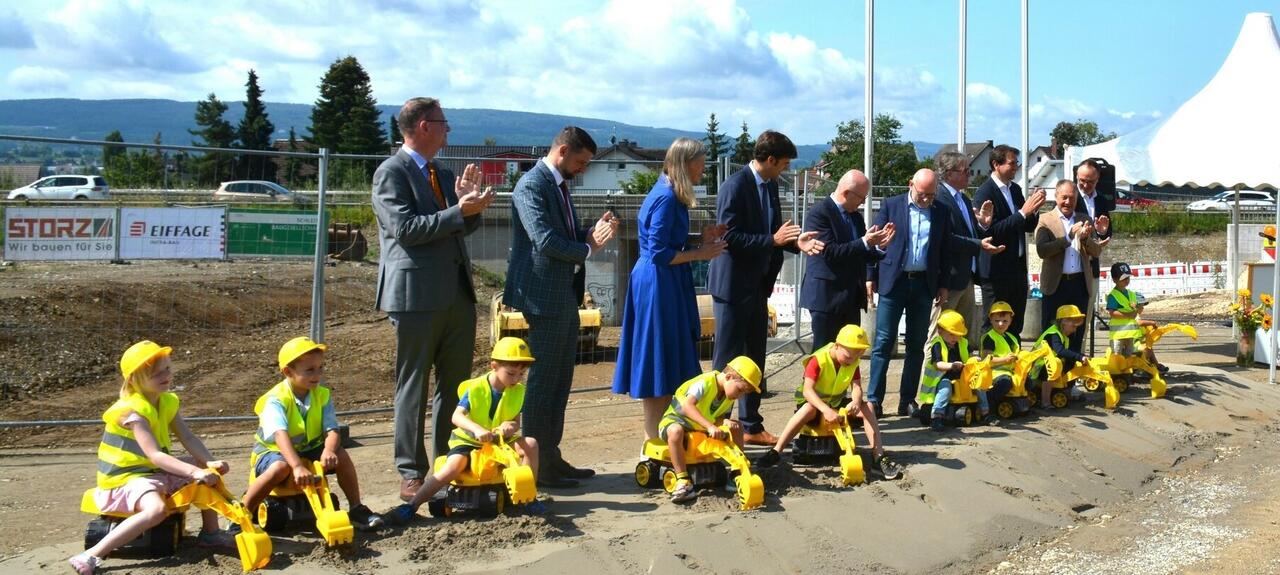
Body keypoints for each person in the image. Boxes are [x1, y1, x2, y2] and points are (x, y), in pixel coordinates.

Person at [372, 97, 495, 501]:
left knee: (454, 385)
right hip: (415, 297)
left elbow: (457, 228)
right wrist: (459, 210)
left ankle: (447, 462)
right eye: (444, 123)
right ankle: (412, 473)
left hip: (456, 294)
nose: (448, 130)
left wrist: (470, 207)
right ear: (424, 126)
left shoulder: (442, 172)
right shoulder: (391, 173)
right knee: (413, 385)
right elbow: (406, 229)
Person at [506, 126, 619, 488]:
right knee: (544, 382)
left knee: (559, 380)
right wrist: (588, 248)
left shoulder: (556, 185)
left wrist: (588, 232)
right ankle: (538, 463)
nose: (583, 168)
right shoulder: (532, 185)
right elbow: (543, 239)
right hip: (543, 295)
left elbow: (560, 235)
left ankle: (550, 456)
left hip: (559, 293)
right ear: (563, 151)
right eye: (581, 161)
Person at [69, 341, 235, 575]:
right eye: (155, 373)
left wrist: (208, 462)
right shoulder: (132, 412)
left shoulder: (167, 401)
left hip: (151, 470)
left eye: (167, 369)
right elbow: (154, 455)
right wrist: (195, 473)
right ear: (133, 379)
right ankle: (92, 555)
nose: (165, 376)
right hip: (126, 477)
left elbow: (187, 436)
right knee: (156, 510)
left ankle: (211, 533)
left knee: (209, 473)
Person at [709, 130, 824, 445]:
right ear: (770, 160)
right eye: (784, 164)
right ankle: (716, 424)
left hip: (758, 286)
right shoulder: (734, 187)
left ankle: (751, 425)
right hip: (732, 287)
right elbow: (729, 238)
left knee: (755, 359)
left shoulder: (770, 185)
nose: (785, 171)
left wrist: (793, 242)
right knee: (727, 361)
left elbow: (774, 232)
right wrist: (772, 240)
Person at [612, 138, 726, 441]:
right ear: (686, 163)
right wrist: (700, 254)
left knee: (667, 358)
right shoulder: (666, 197)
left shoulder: (669, 193)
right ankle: (654, 440)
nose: (703, 170)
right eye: (700, 164)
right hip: (659, 283)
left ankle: (664, 435)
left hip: (665, 280)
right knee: (659, 360)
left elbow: (664, 243)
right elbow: (660, 253)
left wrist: (699, 240)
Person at [387, 337, 545, 522]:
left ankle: (528, 497)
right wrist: (477, 429)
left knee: (531, 444)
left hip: (498, 440)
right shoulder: (476, 388)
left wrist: (510, 426)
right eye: (511, 374)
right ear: (494, 366)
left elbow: (515, 421)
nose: (516, 379)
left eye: (521, 374)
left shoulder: (517, 391)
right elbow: (457, 416)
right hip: (469, 440)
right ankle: (412, 505)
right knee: (453, 467)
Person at [243, 337, 383, 530]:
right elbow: (279, 435)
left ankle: (356, 507)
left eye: (320, 368)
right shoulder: (275, 400)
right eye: (309, 370)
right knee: (280, 468)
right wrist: (297, 466)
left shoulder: (321, 395)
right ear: (287, 372)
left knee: (341, 454)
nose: (317, 374)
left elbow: (332, 429)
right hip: (272, 453)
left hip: (308, 449)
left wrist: (329, 450)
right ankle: (242, 514)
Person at [752, 325, 903, 480]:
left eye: (857, 356)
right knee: (808, 409)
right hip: (814, 405)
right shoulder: (818, 360)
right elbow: (808, 391)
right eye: (848, 356)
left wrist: (856, 402)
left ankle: (878, 458)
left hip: (835, 404)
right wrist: (825, 410)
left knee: (868, 406)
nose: (852, 361)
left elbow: (857, 387)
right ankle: (776, 451)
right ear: (837, 346)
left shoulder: (853, 361)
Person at [867, 169, 956, 418]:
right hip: (893, 282)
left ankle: (907, 399)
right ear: (910, 185)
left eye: (931, 194)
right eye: (922, 193)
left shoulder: (941, 211)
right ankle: (874, 400)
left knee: (916, 345)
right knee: (883, 342)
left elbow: (945, 250)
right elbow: (874, 240)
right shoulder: (891, 205)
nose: (927, 199)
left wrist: (943, 284)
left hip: (923, 285)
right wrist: (869, 276)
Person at [800, 169, 893, 349]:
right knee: (823, 355)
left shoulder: (855, 217)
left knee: (849, 354)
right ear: (846, 193)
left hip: (850, 298)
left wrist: (879, 246)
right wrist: (865, 241)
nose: (863, 203)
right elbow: (829, 252)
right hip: (826, 297)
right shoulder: (820, 213)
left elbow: (860, 252)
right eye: (861, 198)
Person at [659, 356, 761, 503]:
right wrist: (710, 426)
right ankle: (682, 481)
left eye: (743, 393)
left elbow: (714, 416)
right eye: (740, 390)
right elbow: (688, 406)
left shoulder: (727, 396)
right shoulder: (705, 383)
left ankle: (736, 473)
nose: (739, 396)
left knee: (737, 427)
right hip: (676, 420)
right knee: (675, 431)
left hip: (699, 427)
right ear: (728, 377)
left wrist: (723, 421)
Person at [974, 145, 1047, 336]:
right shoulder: (985, 192)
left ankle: (1014, 363)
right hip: (996, 271)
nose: (1016, 167)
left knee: (1015, 323)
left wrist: (1034, 208)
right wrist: (1024, 212)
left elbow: (1026, 226)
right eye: (1011, 163)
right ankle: (990, 363)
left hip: (1017, 270)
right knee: (994, 324)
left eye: (1017, 163)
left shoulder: (1014, 189)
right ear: (996, 165)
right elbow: (992, 231)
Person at [932, 151, 1002, 347]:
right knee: (943, 333)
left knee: (963, 334)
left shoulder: (963, 199)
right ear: (948, 173)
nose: (969, 175)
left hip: (966, 276)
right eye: (965, 171)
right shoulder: (939, 197)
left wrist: (983, 226)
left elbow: (970, 234)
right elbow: (946, 238)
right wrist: (978, 244)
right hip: (948, 278)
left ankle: (961, 373)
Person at [1035, 180, 1103, 353]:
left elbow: (1096, 251)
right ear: (1056, 197)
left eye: (1072, 198)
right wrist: (1068, 237)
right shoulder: (1044, 219)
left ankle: (1072, 375)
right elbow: (1042, 251)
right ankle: (1050, 375)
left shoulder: (1084, 219)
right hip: (1055, 285)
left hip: (1079, 284)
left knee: (1076, 331)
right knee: (1051, 331)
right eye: (1064, 197)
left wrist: (1086, 238)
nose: (1067, 202)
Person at [919, 310, 971, 432]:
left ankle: (984, 411)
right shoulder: (937, 344)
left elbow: (969, 358)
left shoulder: (963, 343)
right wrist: (952, 365)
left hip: (960, 375)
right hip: (941, 377)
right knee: (945, 390)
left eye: (958, 334)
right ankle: (937, 416)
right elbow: (938, 364)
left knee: (978, 385)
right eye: (951, 334)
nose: (955, 338)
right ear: (940, 330)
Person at [1032, 305, 1089, 409]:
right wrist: (1079, 357)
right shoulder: (1054, 333)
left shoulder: (1063, 335)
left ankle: (1066, 390)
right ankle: (1045, 401)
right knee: (1049, 371)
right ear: (1064, 321)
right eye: (1074, 326)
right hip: (1037, 366)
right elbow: (1060, 350)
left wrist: (1079, 358)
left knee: (1070, 363)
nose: (1075, 329)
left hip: (1050, 362)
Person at [1074, 160, 1113, 308]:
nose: (1085, 185)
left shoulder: (1101, 199)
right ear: (1077, 176)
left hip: (1092, 266)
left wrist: (1102, 232)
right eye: (1082, 180)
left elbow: (1107, 230)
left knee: (1088, 311)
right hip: (1073, 264)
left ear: (1097, 180)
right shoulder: (1070, 196)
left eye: (1090, 181)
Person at [978, 301, 1019, 419]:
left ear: (1010, 321)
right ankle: (989, 404)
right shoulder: (989, 338)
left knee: (1028, 382)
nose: (1000, 324)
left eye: (1005, 321)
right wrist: (1005, 359)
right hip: (993, 373)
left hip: (1010, 371)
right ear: (990, 319)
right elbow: (987, 359)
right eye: (997, 321)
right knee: (1005, 383)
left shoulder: (1010, 337)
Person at [1106, 262, 1149, 363]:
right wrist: (1128, 315)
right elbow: (1112, 313)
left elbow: (1137, 310)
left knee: (1129, 356)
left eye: (1128, 277)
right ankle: (1117, 376)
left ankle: (1127, 375)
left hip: (1130, 333)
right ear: (1115, 280)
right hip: (1118, 334)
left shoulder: (1131, 294)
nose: (1127, 280)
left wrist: (1139, 309)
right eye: (1124, 278)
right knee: (1117, 356)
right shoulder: (1113, 296)